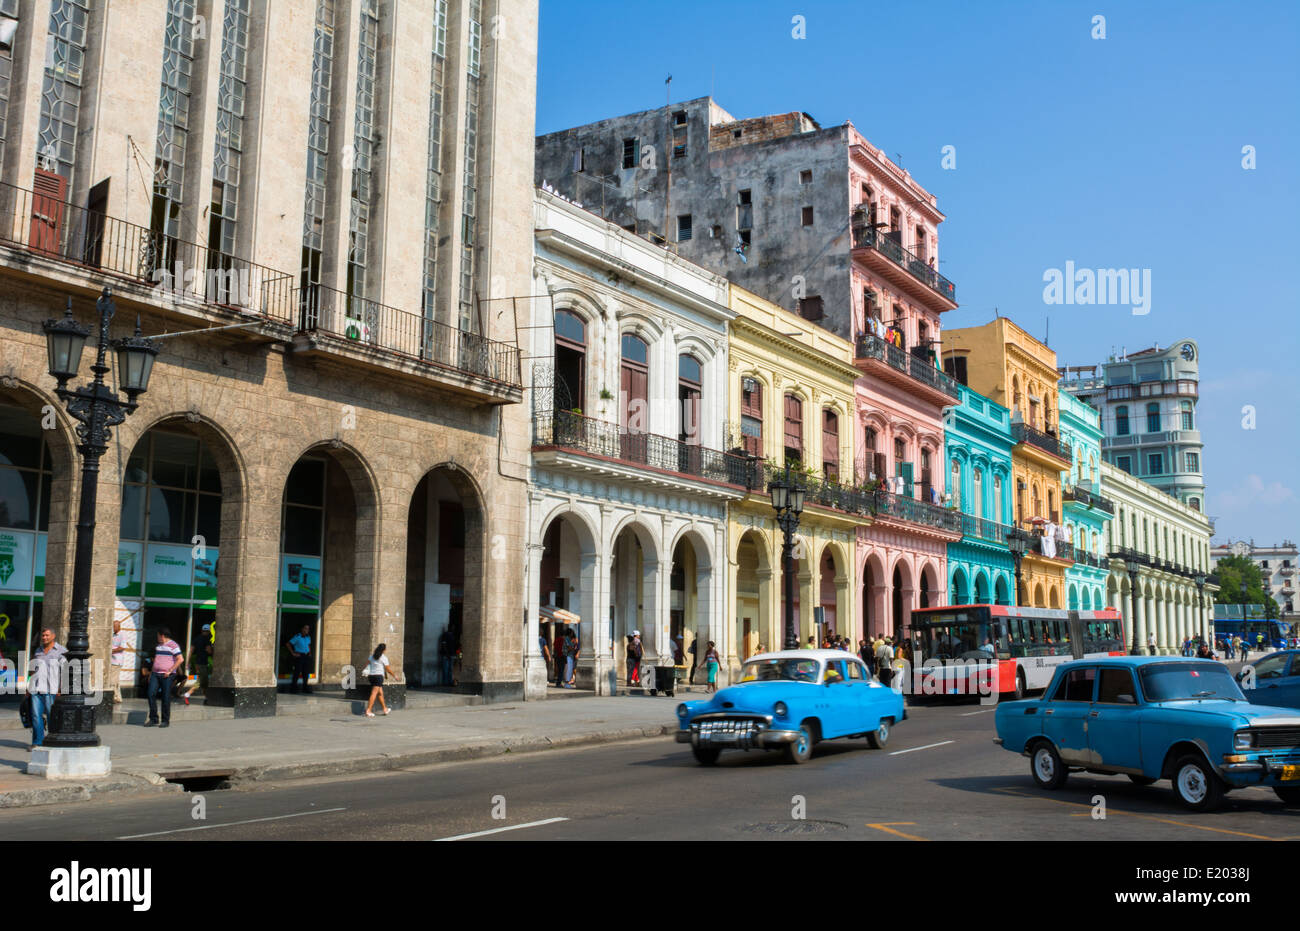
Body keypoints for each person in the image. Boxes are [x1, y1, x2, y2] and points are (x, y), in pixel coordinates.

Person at [27, 627, 67, 749]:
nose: (44, 637)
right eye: (43, 635)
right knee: (35, 715)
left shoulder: (61, 651)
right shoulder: (38, 651)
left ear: (53, 636)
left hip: (52, 689)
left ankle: (52, 740)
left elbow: (65, 671)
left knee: (51, 715)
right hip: (37, 688)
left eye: (47, 635)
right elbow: (33, 670)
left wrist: (61, 689)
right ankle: (37, 742)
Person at [146, 628, 184, 728]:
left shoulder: (173, 645)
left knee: (165, 697)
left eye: (158, 635)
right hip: (155, 673)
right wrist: (151, 674)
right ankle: (153, 718)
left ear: (162, 635)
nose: (157, 637)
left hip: (167, 675)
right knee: (151, 694)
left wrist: (170, 670)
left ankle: (165, 720)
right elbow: (157, 660)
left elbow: (180, 659)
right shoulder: (158, 646)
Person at [362, 643, 395, 717]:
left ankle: (385, 709)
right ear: (384, 650)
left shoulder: (371, 657)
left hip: (371, 676)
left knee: (380, 693)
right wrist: (394, 676)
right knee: (374, 693)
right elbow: (388, 669)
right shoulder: (384, 658)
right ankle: (368, 710)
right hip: (378, 677)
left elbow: (366, 665)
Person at [286, 623, 313, 694]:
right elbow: (288, 644)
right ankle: (293, 688)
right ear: (302, 629)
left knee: (305, 673)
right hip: (299, 656)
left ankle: (305, 687)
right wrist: (293, 653)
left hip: (306, 656)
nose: (307, 630)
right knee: (297, 672)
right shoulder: (297, 636)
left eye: (308, 629)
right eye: (305, 628)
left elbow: (308, 645)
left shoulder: (308, 637)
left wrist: (309, 652)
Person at [108, 620, 128, 705]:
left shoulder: (122, 635)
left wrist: (111, 651)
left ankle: (114, 697)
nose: (113, 628)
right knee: (115, 680)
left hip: (117, 660)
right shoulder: (113, 635)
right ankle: (117, 697)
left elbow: (122, 647)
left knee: (112, 680)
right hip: (111, 660)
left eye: (114, 627)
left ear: (118, 627)